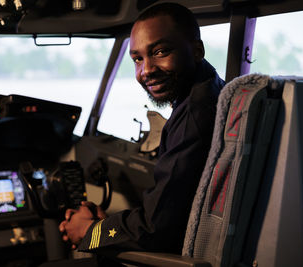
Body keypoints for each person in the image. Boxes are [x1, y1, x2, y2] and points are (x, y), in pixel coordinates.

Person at [59, 2, 225, 254]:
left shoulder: (194, 116)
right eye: (137, 58)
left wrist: (89, 232)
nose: (146, 70)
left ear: (196, 50)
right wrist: (105, 225)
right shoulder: (211, 91)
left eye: (160, 51)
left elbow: (154, 230)